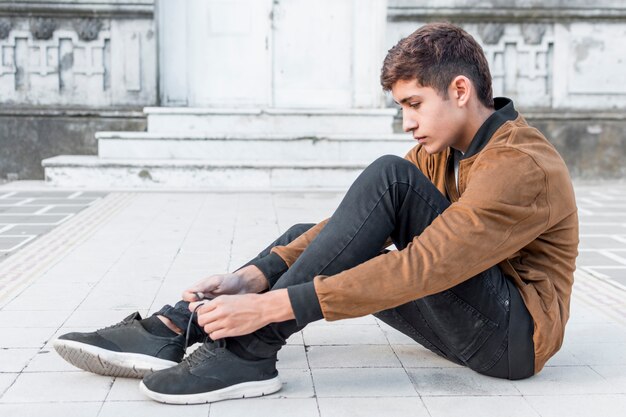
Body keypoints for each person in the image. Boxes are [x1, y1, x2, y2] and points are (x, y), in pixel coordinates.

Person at [53, 22, 578, 404]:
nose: (406, 123)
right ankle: (179, 325)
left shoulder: (521, 164)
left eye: (413, 104)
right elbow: (343, 231)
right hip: (474, 320)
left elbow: (427, 266)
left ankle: (249, 353)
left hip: (513, 342)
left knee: (387, 176)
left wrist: (271, 308)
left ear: (459, 90)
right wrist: (251, 278)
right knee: (320, 230)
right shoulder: (440, 153)